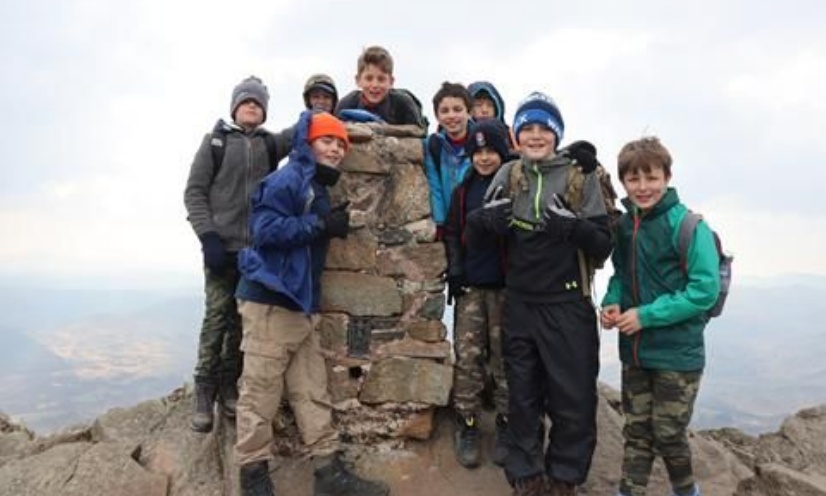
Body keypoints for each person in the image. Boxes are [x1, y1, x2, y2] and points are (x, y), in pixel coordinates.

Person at [233, 110, 389, 496]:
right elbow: (264, 230)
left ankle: (327, 473)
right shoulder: (289, 178)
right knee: (260, 394)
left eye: (341, 144)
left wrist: (323, 221)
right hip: (271, 302)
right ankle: (252, 478)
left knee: (311, 390)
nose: (335, 149)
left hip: (299, 305)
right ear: (308, 142)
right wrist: (321, 225)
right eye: (327, 140)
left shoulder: (314, 186)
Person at [467, 91, 612, 495]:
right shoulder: (509, 174)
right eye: (527, 128)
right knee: (522, 397)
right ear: (516, 135)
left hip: (568, 303)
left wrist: (574, 228)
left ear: (557, 135)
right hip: (520, 304)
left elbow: (603, 245)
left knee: (573, 400)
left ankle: (564, 479)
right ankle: (526, 477)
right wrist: (486, 221)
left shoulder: (580, 176)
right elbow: (474, 238)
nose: (535, 135)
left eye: (543, 128)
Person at [600, 137, 720, 496]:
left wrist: (646, 316)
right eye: (633, 179)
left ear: (667, 176)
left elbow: (705, 290)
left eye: (651, 177)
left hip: (677, 354)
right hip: (635, 351)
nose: (643, 187)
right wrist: (612, 301)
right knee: (637, 432)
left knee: (668, 434)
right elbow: (621, 274)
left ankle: (686, 492)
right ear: (623, 182)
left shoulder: (688, 225)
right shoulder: (625, 227)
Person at [183, 75, 290, 433]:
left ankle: (229, 384)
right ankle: (204, 388)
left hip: (253, 253)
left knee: (242, 322)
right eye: (246, 101)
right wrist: (208, 238)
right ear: (234, 107)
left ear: (264, 111)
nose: (251, 106)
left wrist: (326, 107)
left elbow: (299, 133)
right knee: (217, 317)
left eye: (258, 103)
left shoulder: (269, 145)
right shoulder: (215, 142)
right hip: (220, 249)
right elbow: (194, 192)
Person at [443, 119, 511, 469]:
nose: (484, 158)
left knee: (504, 358)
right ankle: (466, 422)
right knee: (468, 358)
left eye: (491, 151)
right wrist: (455, 270)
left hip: (507, 288)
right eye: (478, 151)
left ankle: (506, 422)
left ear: (502, 152)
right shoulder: (462, 191)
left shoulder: (514, 183)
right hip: (471, 287)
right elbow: (452, 233)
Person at [423, 81, 473, 239]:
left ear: (469, 112)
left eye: (457, 109)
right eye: (444, 111)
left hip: (477, 222)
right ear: (437, 116)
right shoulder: (432, 145)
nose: (451, 116)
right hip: (450, 226)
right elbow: (434, 185)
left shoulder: (481, 142)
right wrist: (440, 223)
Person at [335, 45, 425, 126]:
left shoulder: (403, 103)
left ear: (391, 82)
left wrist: (383, 129)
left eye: (381, 79)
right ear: (358, 80)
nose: (375, 85)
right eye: (369, 78)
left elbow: (418, 132)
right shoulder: (346, 104)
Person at [467, 80, 517, 152]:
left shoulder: (510, 135)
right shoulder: (462, 134)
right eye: (478, 105)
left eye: (490, 105)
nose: (484, 110)